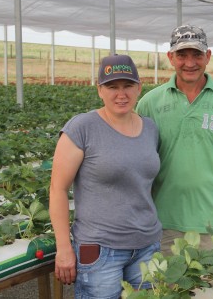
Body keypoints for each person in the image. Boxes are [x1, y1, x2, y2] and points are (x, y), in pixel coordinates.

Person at [136, 24, 213, 252]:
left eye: (197, 55)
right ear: (170, 58)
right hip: (164, 225)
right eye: (182, 55)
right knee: (167, 285)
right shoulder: (150, 104)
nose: (190, 63)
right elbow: (138, 161)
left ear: (208, 56)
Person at [49, 54, 162, 298]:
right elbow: (57, 189)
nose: (121, 94)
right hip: (101, 251)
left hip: (147, 246)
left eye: (128, 86)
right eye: (112, 86)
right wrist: (63, 247)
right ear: (100, 90)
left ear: (139, 87)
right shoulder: (81, 128)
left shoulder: (150, 128)